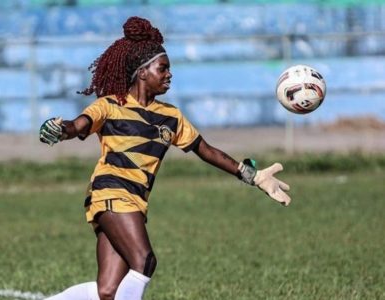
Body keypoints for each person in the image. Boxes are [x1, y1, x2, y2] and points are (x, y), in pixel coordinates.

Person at [39, 16, 291, 300]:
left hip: (135, 199)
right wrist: (62, 130)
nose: (169, 74)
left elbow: (206, 151)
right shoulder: (110, 105)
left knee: (108, 291)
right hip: (110, 192)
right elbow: (80, 125)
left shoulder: (171, 117)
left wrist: (253, 176)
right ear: (143, 72)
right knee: (145, 261)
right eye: (164, 68)